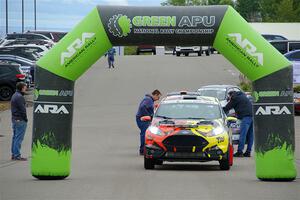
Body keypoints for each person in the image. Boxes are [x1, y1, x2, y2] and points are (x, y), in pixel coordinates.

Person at [223, 91, 253, 157]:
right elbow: (242, 106)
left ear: (231, 95)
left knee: (243, 134)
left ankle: (240, 152)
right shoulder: (242, 96)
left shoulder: (235, 98)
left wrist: (221, 111)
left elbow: (227, 108)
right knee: (250, 135)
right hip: (252, 116)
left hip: (246, 117)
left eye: (229, 97)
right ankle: (248, 152)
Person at [136, 90, 162, 155]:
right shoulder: (148, 100)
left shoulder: (149, 100)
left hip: (142, 118)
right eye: (158, 97)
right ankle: (142, 150)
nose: (158, 99)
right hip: (143, 119)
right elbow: (142, 107)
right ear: (155, 95)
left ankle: (143, 149)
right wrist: (148, 115)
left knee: (145, 134)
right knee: (144, 134)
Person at [10, 82, 28, 161]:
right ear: (21, 88)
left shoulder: (14, 95)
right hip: (20, 119)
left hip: (14, 119)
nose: (26, 89)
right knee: (18, 138)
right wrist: (25, 119)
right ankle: (17, 155)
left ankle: (14, 154)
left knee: (15, 137)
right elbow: (22, 110)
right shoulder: (20, 97)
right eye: (25, 87)